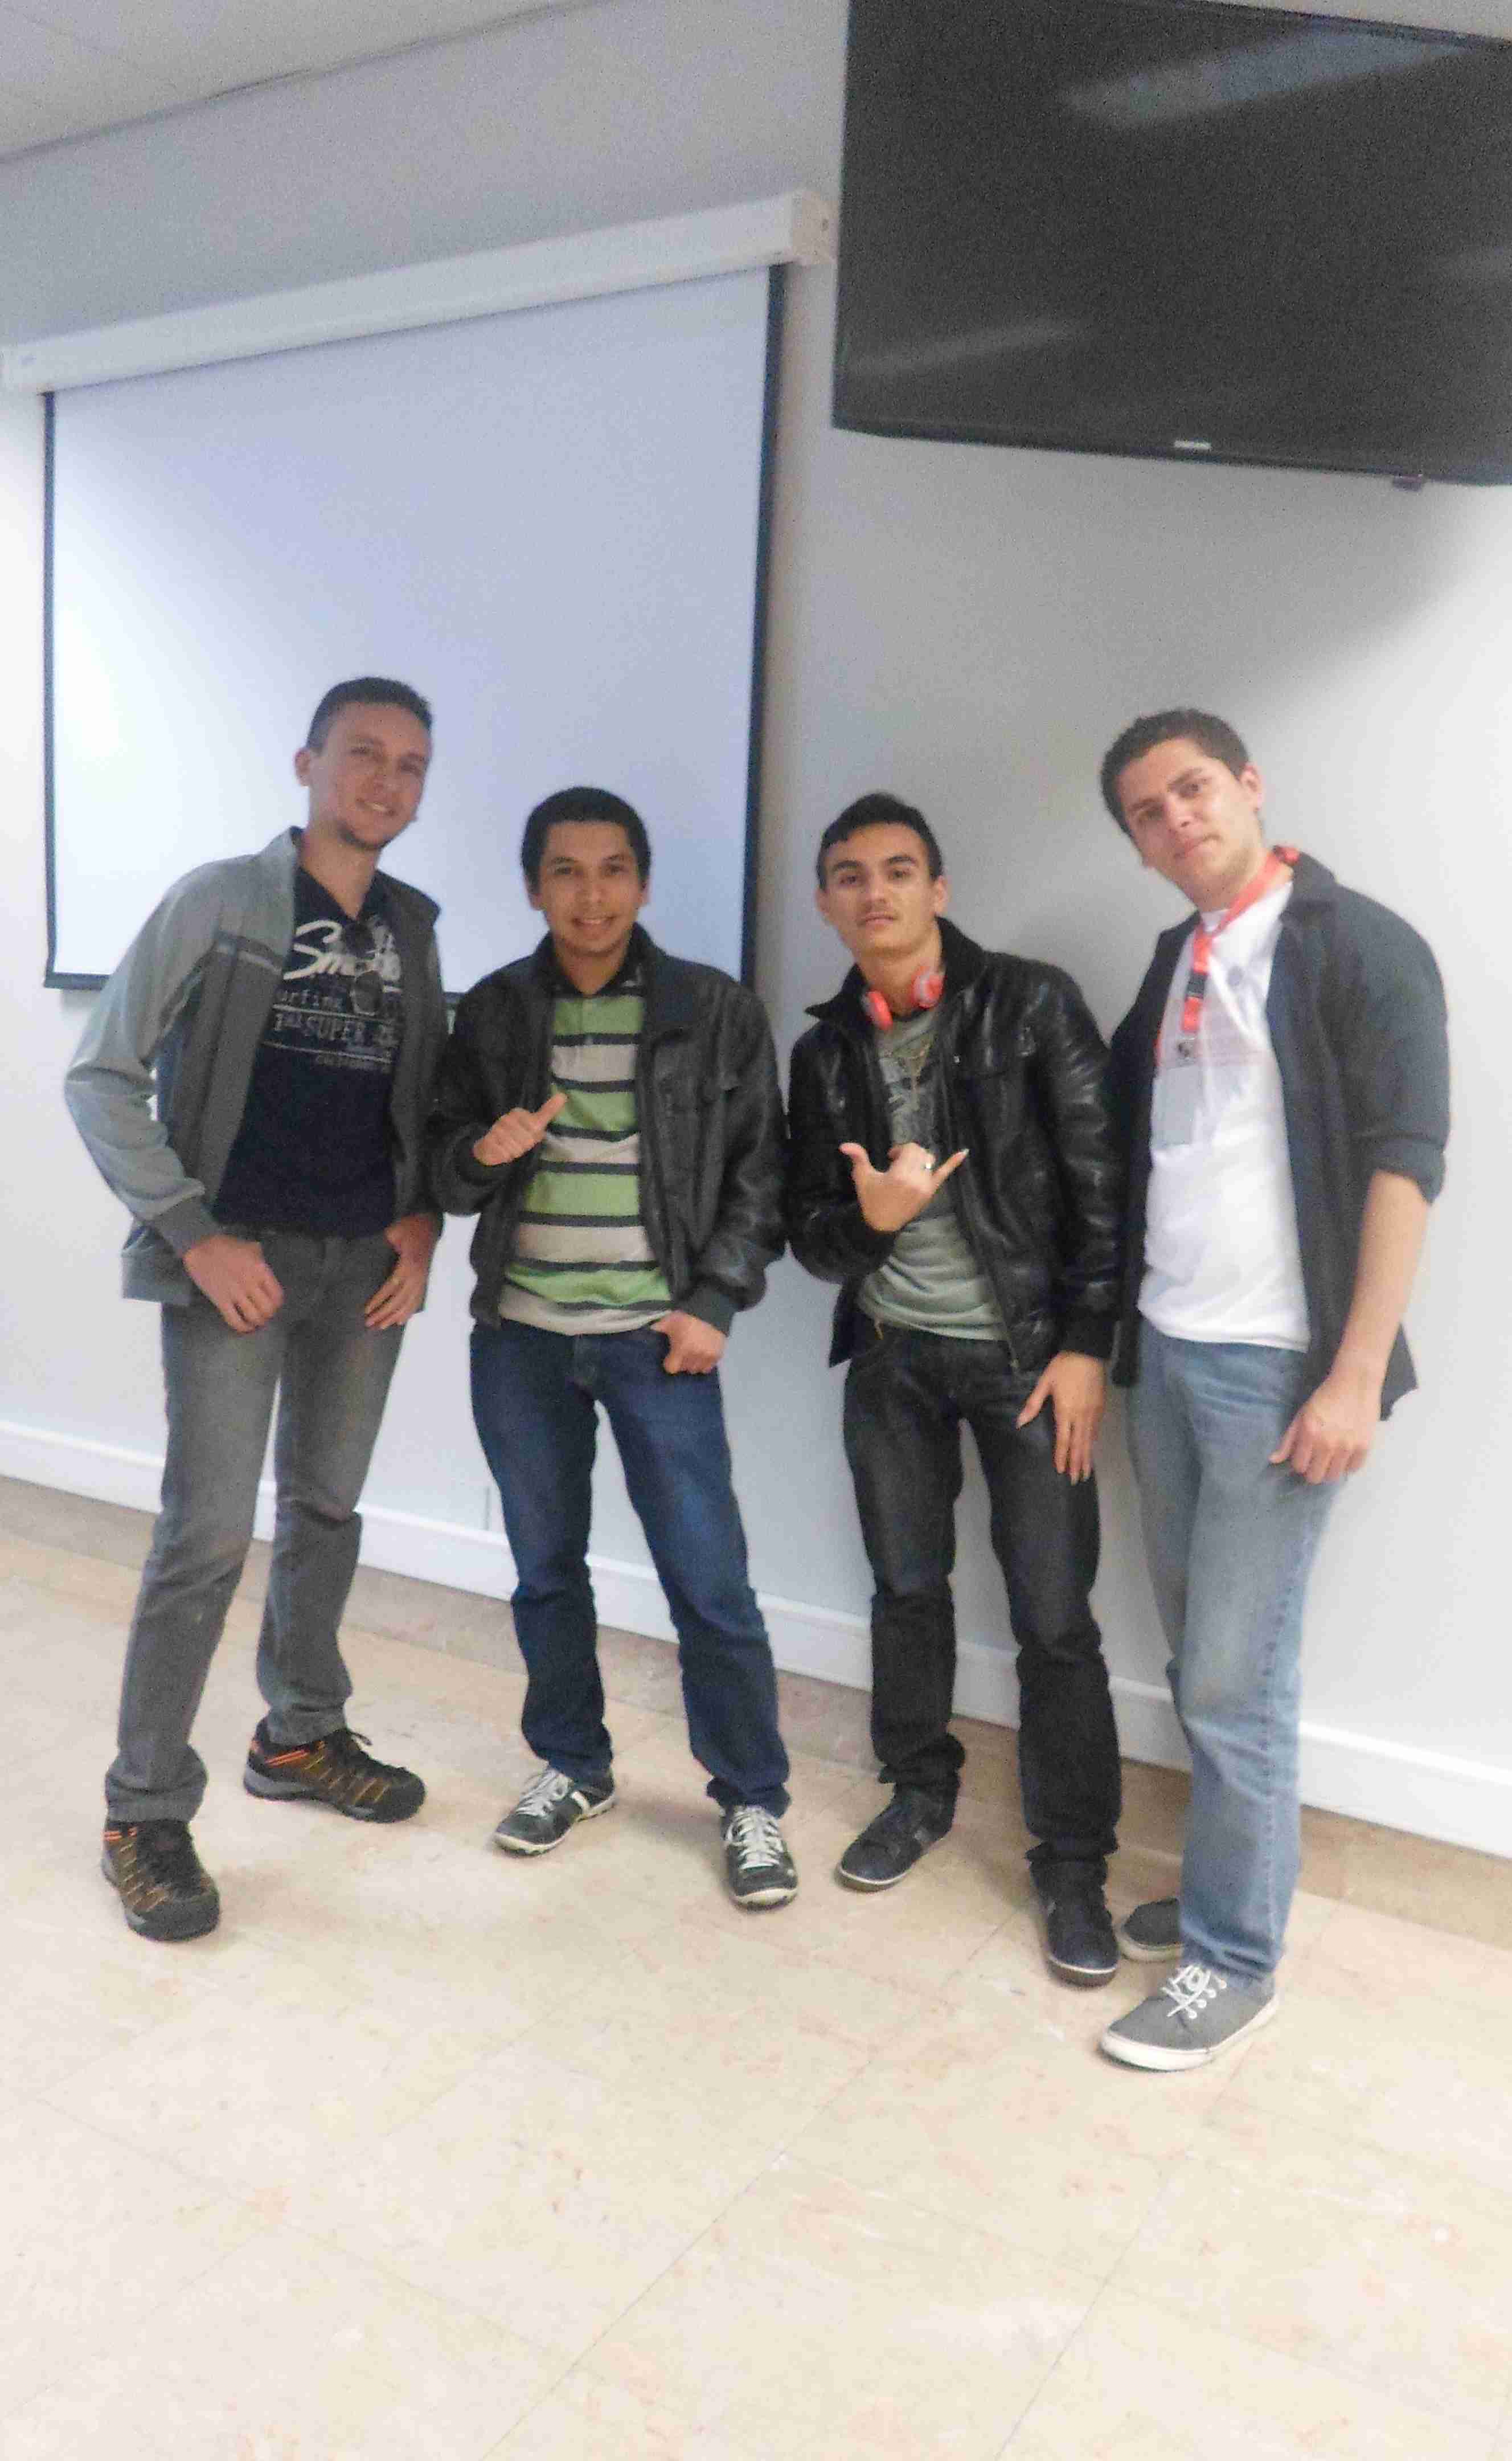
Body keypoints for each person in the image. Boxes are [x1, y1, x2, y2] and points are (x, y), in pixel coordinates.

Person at [66, 677, 448, 1942]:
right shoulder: (221, 901)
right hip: (239, 1264)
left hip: (364, 1269)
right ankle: (143, 1811)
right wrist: (196, 1235)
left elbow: (420, 1103)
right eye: (363, 754)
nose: (385, 782)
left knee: (329, 1508)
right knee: (209, 1535)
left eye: (410, 765)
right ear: (306, 763)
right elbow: (102, 1074)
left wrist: (422, 1219)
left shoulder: (414, 928)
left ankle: (298, 1737)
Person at [1096, 709, 1449, 2070]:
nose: (1176, 819)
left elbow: (1407, 1164)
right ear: (1138, 845)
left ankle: (1235, 1960)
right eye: (1147, 812)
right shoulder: (1175, 958)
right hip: (1166, 1353)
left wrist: (1353, 1376)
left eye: (1192, 789)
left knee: (1235, 1681)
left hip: (1275, 1372)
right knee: (1202, 1660)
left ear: (1248, 785)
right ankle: (1224, 1892)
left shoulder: (1362, 946)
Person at [424, 786, 798, 1907]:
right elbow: (444, 1169)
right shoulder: (495, 1011)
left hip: (657, 1342)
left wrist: (714, 1301)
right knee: (546, 1571)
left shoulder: (714, 1010)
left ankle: (751, 1798)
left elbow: (759, 1174)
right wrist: (482, 1153)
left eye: (613, 870)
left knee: (709, 1582)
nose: (592, 896)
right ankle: (574, 1766)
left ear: (642, 882)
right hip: (522, 1340)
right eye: (567, 872)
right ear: (533, 888)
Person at [786, 791, 1125, 1981]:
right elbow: (810, 1236)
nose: (874, 892)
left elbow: (1103, 1185)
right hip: (892, 1358)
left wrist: (1088, 1345)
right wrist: (873, 1223)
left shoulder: (1030, 1004)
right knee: (905, 1589)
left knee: (1054, 1620)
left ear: (938, 889)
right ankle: (919, 1791)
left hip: (1029, 1364)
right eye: (849, 875)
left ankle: (1073, 1863)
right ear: (826, 903)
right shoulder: (824, 1052)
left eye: (897, 870)